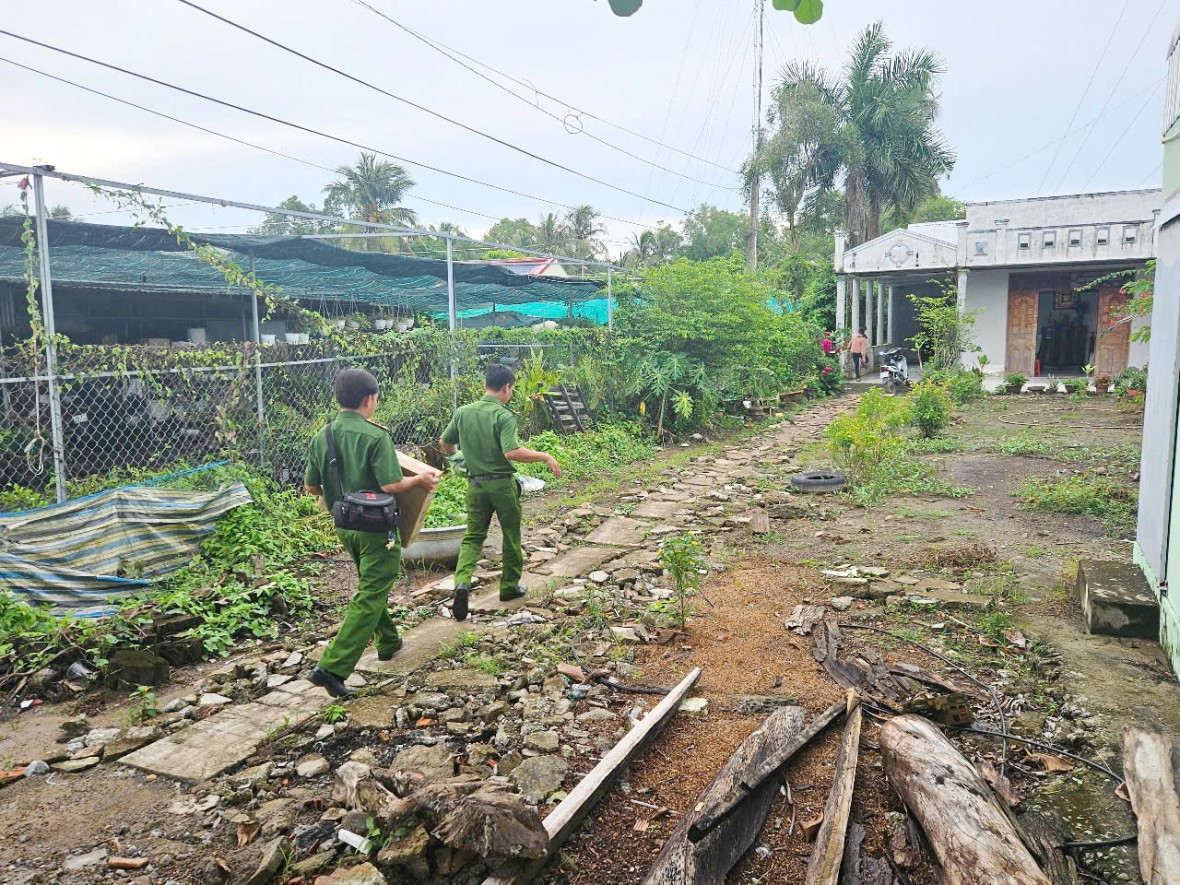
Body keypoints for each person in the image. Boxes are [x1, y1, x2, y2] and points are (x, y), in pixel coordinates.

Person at [305, 368, 440, 698]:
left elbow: (311, 487)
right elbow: (391, 485)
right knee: (372, 591)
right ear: (369, 399)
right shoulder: (375, 436)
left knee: (371, 583)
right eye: (376, 399)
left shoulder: (323, 436)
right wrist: (419, 480)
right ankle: (332, 667)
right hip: (376, 528)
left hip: (344, 525)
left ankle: (388, 641)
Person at [439, 363, 562, 621]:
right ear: (506, 387)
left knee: (473, 537)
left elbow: (445, 443)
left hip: (475, 486)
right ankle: (508, 587)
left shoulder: (463, 412)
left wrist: (459, 458)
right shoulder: (504, 416)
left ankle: (462, 584)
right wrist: (545, 456)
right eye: (512, 389)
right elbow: (511, 452)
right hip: (501, 486)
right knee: (510, 535)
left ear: (486, 384)